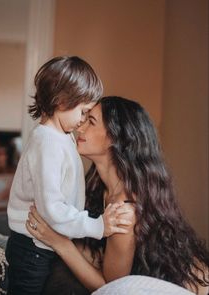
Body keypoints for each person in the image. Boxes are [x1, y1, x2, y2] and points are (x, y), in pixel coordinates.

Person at [27, 96, 209, 295]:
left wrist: (59, 243)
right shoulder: (99, 187)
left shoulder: (125, 209)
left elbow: (110, 288)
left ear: (115, 137)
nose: (80, 126)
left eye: (91, 121)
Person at [6, 58, 132, 295]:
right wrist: (98, 226)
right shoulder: (48, 143)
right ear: (62, 101)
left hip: (43, 245)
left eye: (89, 117)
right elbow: (51, 208)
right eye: (83, 112)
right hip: (32, 247)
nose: (82, 122)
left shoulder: (61, 136)